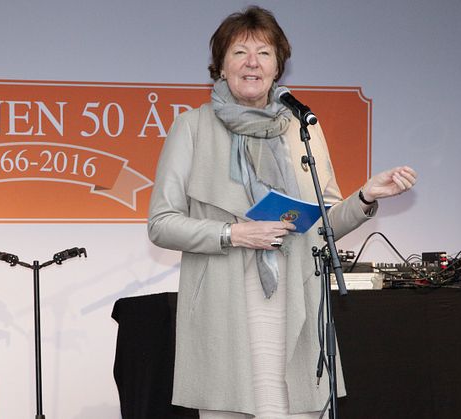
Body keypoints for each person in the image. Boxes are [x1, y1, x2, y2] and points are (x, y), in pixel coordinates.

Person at [147, 6, 417, 418]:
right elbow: (161, 224)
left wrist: (364, 196)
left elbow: (322, 224)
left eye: (264, 53)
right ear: (220, 66)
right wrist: (233, 234)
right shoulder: (192, 128)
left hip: (297, 304)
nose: (252, 63)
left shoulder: (302, 127)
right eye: (240, 52)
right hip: (225, 308)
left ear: (278, 68)